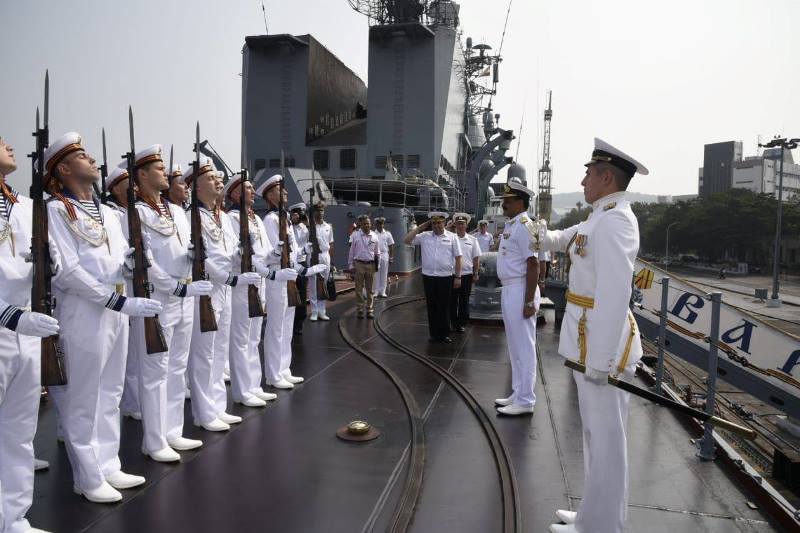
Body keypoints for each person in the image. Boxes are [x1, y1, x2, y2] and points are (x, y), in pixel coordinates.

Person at [44, 132, 162, 503]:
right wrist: (115, 300)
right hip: (84, 311)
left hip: (115, 307)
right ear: (63, 168)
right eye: (82, 156)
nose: (93, 160)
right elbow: (66, 271)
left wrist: (130, 268)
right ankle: (87, 475)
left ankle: (108, 463)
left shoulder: (109, 213)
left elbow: (118, 258)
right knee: (82, 396)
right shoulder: (55, 210)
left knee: (110, 391)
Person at [543, 138, 648, 533]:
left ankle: (601, 526)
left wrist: (602, 361)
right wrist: (538, 232)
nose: (583, 179)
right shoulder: (598, 217)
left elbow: (615, 293)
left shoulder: (616, 220)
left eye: (588, 173)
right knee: (595, 435)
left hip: (600, 346)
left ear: (606, 177)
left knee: (606, 441)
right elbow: (566, 239)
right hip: (586, 338)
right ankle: (595, 514)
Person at [128, 145, 212, 462]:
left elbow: (186, 250)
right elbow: (144, 261)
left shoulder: (176, 211)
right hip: (158, 300)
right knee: (154, 373)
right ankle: (154, 440)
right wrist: (174, 287)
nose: (165, 172)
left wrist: (190, 265)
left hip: (184, 297)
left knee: (177, 368)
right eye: (158, 168)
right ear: (143, 175)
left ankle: (173, 431)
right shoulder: (134, 213)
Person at [0, 136, 60, 532]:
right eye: (0, 142)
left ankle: (12, 516)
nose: (9, 146)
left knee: (19, 430)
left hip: (24, 327)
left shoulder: (22, 207)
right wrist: (7, 315)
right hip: (8, 321)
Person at [184, 161, 260, 432]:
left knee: (219, 351)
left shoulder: (222, 216)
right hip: (206, 289)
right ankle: (203, 413)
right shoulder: (191, 216)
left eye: (218, 177)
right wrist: (228, 277)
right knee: (204, 353)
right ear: (194, 186)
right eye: (211, 178)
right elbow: (201, 257)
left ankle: (216, 406)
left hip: (225, 287)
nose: (218, 181)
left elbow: (229, 253)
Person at [256, 173, 325, 389]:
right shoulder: (270, 219)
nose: (285, 192)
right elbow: (271, 252)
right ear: (269, 195)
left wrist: (304, 257)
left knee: (286, 326)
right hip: (277, 276)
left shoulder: (284, 217)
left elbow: (292, 251)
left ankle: (284, 369)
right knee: (276, 327)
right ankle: (273, 374)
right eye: (280, 189)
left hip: (291, 275)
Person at [225, 175, 287, 407]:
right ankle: (242, 391)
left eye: (252, 187)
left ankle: (253, 385)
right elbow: (235, 256)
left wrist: (276, 254)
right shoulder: (232, 218)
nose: (252, 192)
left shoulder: (256, 219)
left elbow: (264, 254)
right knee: (241, 338)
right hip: (242, 283)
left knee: (253, 338)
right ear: (235, 194)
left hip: (258, 282)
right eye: (248, 188)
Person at [493, 181, 540, 416]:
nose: (504, 204)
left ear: (520, 203)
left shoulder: (526, 226)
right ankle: (517, 392)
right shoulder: (513, 225)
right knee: (515, 345)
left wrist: (529, 301)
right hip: (510, 289)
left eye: (508, 201)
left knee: (525, 347)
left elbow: (533, 264)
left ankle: (526, 400)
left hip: (521, 289)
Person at [403, 211, 462, 343]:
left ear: (444, 223)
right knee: (432, 306)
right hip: (429, 277)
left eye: (439, 222)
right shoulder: (424, 236)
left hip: (445, 277)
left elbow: (458, 258)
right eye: (434, 223)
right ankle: (434, 334)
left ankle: (444, 333)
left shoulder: (452, 237)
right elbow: (406, 240)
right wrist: (420, 227)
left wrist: (458, 277)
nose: (437, 225)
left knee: (444, 306)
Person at [449, 212, 481, 332]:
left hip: (467, 274)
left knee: (464, 300)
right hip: (452, 274)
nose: (460, 226)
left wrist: (476, 273)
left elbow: (476, 258)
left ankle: (461, 323)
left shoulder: (472, 240)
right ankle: (452, 322)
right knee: (452, 300)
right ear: (455, 225)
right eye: (458, 223)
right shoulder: (450, 238)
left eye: (462, 223)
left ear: (466, 225)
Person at [347, 214, 380, 318]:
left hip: (371, 264)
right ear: (360, 224)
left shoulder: (375, 236)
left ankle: (370, 309)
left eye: (368, 223)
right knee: (359, 288)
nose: (366, 225)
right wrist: (350, 265)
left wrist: (377, 265)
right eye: (364, 223)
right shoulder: (355, 235)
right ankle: (360, 309)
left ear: (371, 225)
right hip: (359, 264)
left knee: (370, 289)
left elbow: (377, 252)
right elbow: (351, 251)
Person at [308, 202, 334, 320]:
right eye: (318, 211)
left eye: (322, 211)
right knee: (313, 284)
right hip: (313, 255)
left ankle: (322, 310)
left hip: (325, 255)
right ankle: (314, 311)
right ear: (314, 212)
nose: (320, 213)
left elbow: (331, 244)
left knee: (323, 283)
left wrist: (331, 260)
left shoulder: (328, 227)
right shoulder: (310, 226)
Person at [289, 203, 309, 334]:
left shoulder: (305, 228)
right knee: (289, 293)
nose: (298, 216)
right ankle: (289, 322)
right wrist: (290, 221)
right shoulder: (287, 226)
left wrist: (307, 223)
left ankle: (299, 323)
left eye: (300, 214)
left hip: (301, 263)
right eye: (296, 214)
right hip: (290, 263)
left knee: (301, 294)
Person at [372, 216, 394, 298]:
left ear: (383, 224)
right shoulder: (373, 234)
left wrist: (391, 257)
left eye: (381, 223)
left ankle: (383, 291)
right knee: (376, 273)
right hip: (376, 255)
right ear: (376, 224)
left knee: (384, 273)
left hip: (385, 254)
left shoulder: (388, 234)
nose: (380, 225)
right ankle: (376, 291)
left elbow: (391, 245)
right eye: (378, 223)